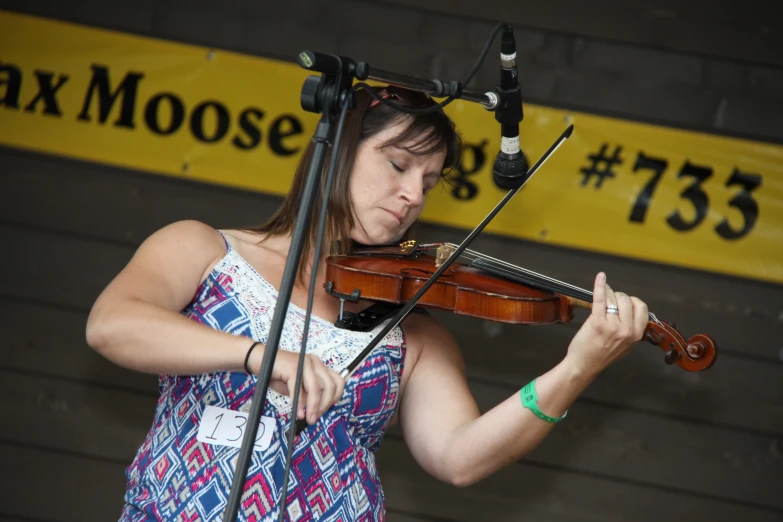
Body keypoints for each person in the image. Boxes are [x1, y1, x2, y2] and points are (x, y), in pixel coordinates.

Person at [86, 85, 649, 521]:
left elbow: (458, 457)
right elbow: (113, 325)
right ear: (336, 151)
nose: (412, 196)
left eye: (428, 183)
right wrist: (262, 355)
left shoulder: (411, 329)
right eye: (398, 164)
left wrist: (577, 368)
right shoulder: (203, 249)